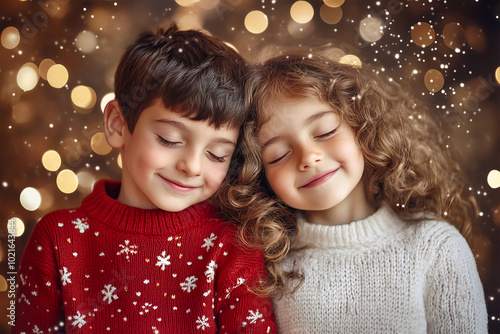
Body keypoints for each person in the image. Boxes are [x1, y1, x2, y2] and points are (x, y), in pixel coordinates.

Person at [14, 24, 276, 334]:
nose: (192, 167)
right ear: (117, 124)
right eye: (168, 139)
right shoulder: (58, 238)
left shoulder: (234, 245)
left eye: (217, 155)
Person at [223, 53, 488, 333]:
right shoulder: (268, 262)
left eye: (325, 132)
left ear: (363, 127)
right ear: (259, 175)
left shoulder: (435, 246)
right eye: (279, 155)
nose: (308, 157)